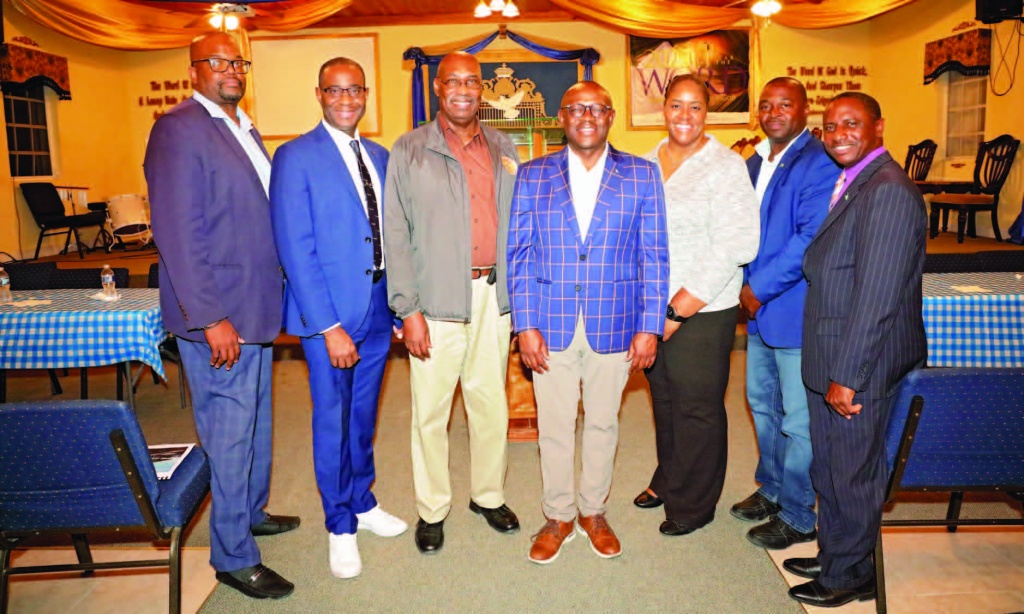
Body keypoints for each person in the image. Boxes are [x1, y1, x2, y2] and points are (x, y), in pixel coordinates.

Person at [145, 32, 297, 600]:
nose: (232, 69)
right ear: (194, 70)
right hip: (219, 316)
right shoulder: (179, 128)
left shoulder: (242, 127)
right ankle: (233, 556)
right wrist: (210, 317)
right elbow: (178, 234)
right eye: (219, 61)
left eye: (239, 61)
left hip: (255, 308)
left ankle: (250, 512)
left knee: (253, 421)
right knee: (229, 433)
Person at [508, 81, 669, 564]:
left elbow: (655, 255)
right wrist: (525, 323)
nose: (586, 116)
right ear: (562, 116)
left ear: (610, 115)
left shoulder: (642, 175)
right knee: (554, 426)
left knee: (603, 423)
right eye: (577, 108)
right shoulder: (533, 175)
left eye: (596, 109)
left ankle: (593, 511)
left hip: (615, 323)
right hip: (549, 323)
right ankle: (558, 515)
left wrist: (649, 325)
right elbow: (518, 255)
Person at [785, 92, 926, 608]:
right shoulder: (855, 181)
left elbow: (877, 297)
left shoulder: (887, 190)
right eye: (829, 126)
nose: (838, 133)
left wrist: (848, 374)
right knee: (831, 466)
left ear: (879, 126)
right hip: (835, 354)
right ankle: (838, 551)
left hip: (858, 363)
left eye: (851, 123)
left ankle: (852, 575)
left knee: (852, 473)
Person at [269, 57, 407, 580]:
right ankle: (339, 524)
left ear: (366, 93)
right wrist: (327, 326)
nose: (347, 99)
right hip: (330, 316)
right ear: (320, 94)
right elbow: (295, 248)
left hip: (375, 306)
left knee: (364, 415)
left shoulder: (378, 154)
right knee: (334, 417)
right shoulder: (295, 156)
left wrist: (396, 305)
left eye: (355, 90)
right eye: (336, 90)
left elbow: (390, 235)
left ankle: (363, 501)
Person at [383, 51, 521, 555]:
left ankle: (488, 495)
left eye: (472, 81)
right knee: (431, 412)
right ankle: (432, 508)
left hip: (492, 298)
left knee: (490, 404)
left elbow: (518, 225)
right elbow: (395, 234)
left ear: (482, 89)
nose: (463, 89)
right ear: (437, 89)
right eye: (453, 81)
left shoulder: (504, 146)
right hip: (435, 303)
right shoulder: (410, 148)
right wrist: (407, 308)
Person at [633, 74, 759, 537]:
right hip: (652, 304)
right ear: (662, 109)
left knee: (697, 407)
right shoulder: (646, 164)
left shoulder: (725, 166)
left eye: (695, 108)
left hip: (704, 309)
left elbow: (737, 243)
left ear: (708, 113)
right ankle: (669, 479)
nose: (684, 116)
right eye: (676, 106)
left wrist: (678, 309)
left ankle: (695, 502)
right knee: (664, 400)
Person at [730, 77, 840, 550]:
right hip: (758, 313)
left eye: (784, 104)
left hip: (792, 309)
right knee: (761, 405)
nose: (773, 112)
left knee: (798, 420)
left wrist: (758, 288)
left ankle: (798, 514)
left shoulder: (817, 162)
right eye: (766, 105)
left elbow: (809, 237)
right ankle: (772, 488)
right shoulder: (755, 160)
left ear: (804, 110)